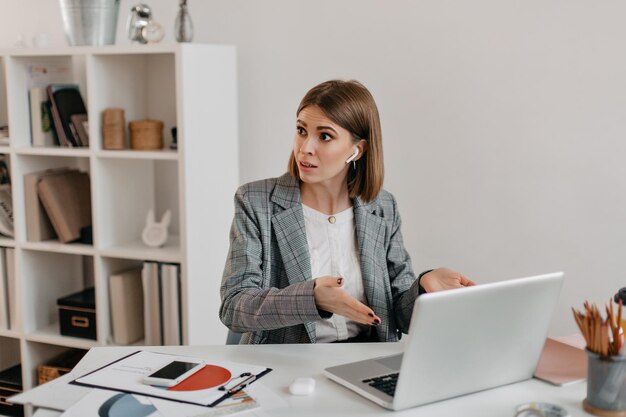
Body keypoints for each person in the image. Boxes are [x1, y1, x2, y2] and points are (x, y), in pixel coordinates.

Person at [220, 79, 474, 344]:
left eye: (324, 136)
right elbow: (235, 306)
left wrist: (425, 287)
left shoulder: (382, 207)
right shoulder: (256, 202)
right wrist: (313, 298)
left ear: (357, 150)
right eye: (301, 130)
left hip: (363, 360)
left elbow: (399, 314)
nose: (305, 147)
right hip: (287, 361)